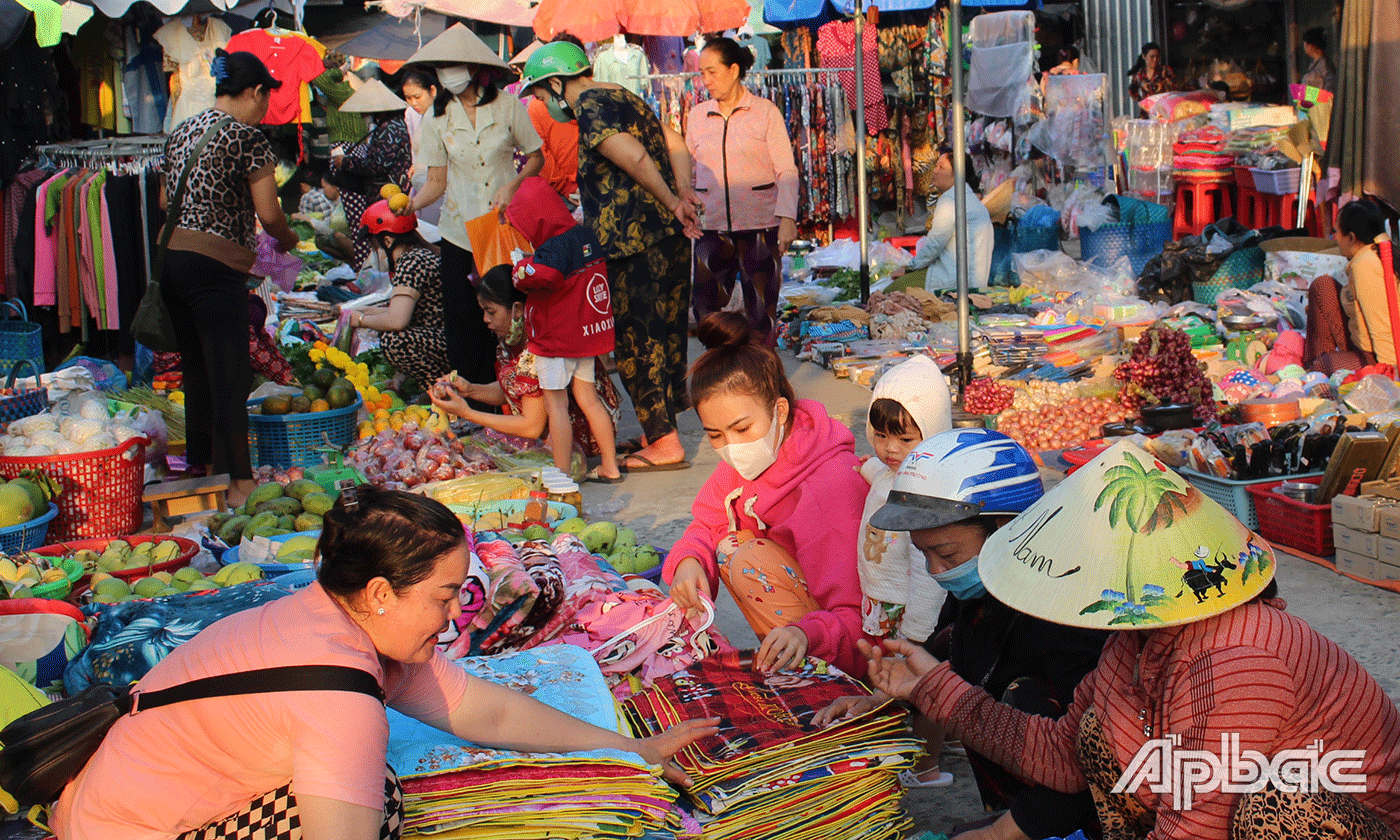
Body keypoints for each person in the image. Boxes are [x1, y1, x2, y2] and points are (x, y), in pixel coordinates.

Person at [53, 486, 718, 840]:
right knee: (378, 800)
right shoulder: (339, 701)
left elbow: (478, 707)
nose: (459, 613)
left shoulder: (325, 617)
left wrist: (632, 749)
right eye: (444, 595)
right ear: (378, 593)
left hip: (97, 810)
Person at [861, 443, 1400, 840]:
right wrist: (933, 687)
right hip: (1223, 805)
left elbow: (1197, 826)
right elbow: (1063, 753)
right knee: (1097, 733)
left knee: (1274, 808)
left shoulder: (1235, 658)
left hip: (1342, 819)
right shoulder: (1134, 640)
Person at [817, 430, 1108, 839]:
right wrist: (885, 697)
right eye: (924, 554)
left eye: (948, 554)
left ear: (1008, 528)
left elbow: (1087, 761)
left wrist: (1001, 833)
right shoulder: (978, 591)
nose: (937, 572)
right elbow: (945, 661)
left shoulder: (1071, 620)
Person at [520, 40, 700, 473]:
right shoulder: (622, 94)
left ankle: (664, 443)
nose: (546, 105)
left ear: (559, 82)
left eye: (544, 96)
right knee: (666, 332)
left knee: (639, 342)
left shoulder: (590, 106)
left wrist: (674, 201)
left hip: (633, 244)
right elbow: (673, 141)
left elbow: (635, 156)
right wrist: (681, 192)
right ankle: (662, 428)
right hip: (666, 238)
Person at [665, 312, 868, 676]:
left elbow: (860, 616)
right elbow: (707, 521)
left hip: (853, 645)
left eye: (742, 428)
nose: (731, 447)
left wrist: (806, 635)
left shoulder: (831, 488)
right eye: (715, 435)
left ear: (780, 410)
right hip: (808, 623)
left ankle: (819, 677)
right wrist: (689, 560)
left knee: (738, 553)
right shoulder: (751, 459)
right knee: (724, 545)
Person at [159, 50, 298, 508]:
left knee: (197, 368)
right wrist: (286, 237)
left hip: (172, 259)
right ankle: (240, 481)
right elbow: (269, 212)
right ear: (256, 92)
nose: (264, 111)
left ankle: (203, 468)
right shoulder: (249, 139)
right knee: (232, 374)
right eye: (266, 100)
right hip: (215, 268)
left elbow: (164, 200)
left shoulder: (181, 132)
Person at [402, 24, 544, 397]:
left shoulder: (508, 106)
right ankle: (474, 402)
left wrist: (512, 185)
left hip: (504, 227)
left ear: (474, 67)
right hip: (459, 232)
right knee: (464, 321)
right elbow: (435, 182)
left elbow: (535, 158)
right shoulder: (435, 118)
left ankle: (521, 395)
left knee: (513, 314)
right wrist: (408, 206)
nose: (449, 73)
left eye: (455, 65)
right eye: (442, 67)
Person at [849, 356, 955, 789]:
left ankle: (925, 766)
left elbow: (928, 573)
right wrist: (865, 464)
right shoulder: (895, 471)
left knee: (921, 686)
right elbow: (880, 471)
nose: (889, 449)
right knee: (896, 681)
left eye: (904, 439)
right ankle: (927, 744)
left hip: (911, 615)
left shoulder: (925, 492)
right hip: (885, 602)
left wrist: (915, 633)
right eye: (880, 436)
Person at [429, 265, 621, 465]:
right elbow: (516, 392)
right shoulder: (511, 340)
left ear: (518, 309)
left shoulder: (537, 349)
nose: (485, 319)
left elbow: (531, 426)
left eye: (491, 312)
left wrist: (467, 413)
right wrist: (470, 390)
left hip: (582, 436)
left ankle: (568, 472)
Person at [503, 175, 620, 483]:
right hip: (586, 333)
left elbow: (548, 276)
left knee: (557, 406)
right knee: (589, 397)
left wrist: (520, 269)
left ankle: (561, 477)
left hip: (557, 337)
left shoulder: (551, 248)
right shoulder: (583, 235)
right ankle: (610, 464)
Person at [685, 37, 799, 346]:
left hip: (760, 225)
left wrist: (787, 216)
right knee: (706, 308)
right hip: (711, 226)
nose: (705, 81)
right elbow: (688, 171)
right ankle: (720, 372)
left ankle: (762, 377)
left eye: (712, 72)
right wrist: (685, 206)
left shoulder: (765, 112)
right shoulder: (697, 116)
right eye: (702, 73)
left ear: (734, 70)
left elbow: (786, 170)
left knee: (761, 311)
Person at [346, 200, 451, 391]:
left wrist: (360, 319)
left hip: (450, 343)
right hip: (446, 338)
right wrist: (367, 311)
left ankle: (439, 393)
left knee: (394, 341)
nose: (373, 252)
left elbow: (397, 321)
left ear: (387, 241)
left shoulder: (411, 262)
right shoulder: (418, 255)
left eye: (373, 245)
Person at [329, 78, 413, 271]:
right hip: (386, 195)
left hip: (389, 197)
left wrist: (346, 162)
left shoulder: (390, 128)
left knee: (390, 245)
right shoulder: (388, 126)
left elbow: (377, 165)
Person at [1305, 200, 1394, 373]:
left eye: (1337, 232)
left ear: (1352, 237)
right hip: (1362, 344)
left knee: (1323, 365)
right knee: (1322, 286)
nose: (1335, 238)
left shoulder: (1365, 264)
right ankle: (1316, 367)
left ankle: (1317, 369)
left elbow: (1382, 326)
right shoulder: (1373, 252)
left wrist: (1388, 375)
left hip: (1380, 358)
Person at [910, 149, 993, 291]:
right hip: (973, 282)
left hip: (953, 282)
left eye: (941, 167)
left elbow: (935, 243)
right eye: (936, 166)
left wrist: (910, 267)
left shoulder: (950, 199)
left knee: (891, 290)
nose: (934, 171)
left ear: (957, 174)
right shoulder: (969, 198)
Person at [525, 34, 582, 207]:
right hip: (569, 195)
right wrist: (567, 188)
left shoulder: (593, 99)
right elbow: (542, 156)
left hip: (580, 191)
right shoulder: (538, 106)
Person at [398, 66, 443, 225]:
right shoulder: (422, 115)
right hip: (425, 191)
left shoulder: (443, 117)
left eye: (417, 96)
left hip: (443, 194)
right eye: (408, 98)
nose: (413, 103)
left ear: (432, 90)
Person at [1127, 41, 1175, 106]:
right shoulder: (1139, 75)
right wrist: (1141, 101)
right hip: (1146, 112)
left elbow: (1175, 89)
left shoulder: (1165, 71)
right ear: (1144, 56)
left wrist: (1164, 85)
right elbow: (1131, 90)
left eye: (1157, 57)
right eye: (1152, 57)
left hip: (1163, 110)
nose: (1155, 60)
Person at [1301, 27, 1337, 93]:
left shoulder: (1324, 65)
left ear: (1310, 46)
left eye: (1305, 44)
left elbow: (1328, 91)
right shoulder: (1315, 64)